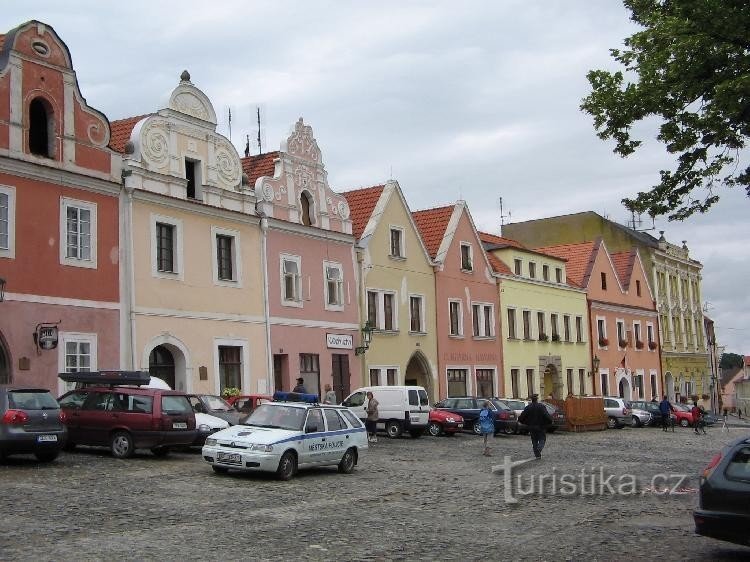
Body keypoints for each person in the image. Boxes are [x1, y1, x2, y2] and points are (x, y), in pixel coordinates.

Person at [518, 394, 553, 459]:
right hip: (541, 426)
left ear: (531, 399)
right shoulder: (541, 406)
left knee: (534, 440)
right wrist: (550, 421)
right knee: (542, 439)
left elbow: (522, 416)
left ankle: (537, 455)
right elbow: (546, 415)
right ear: (537, 399)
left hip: (531, 427)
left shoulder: (528, 407)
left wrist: (523, 422)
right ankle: (538, 450)